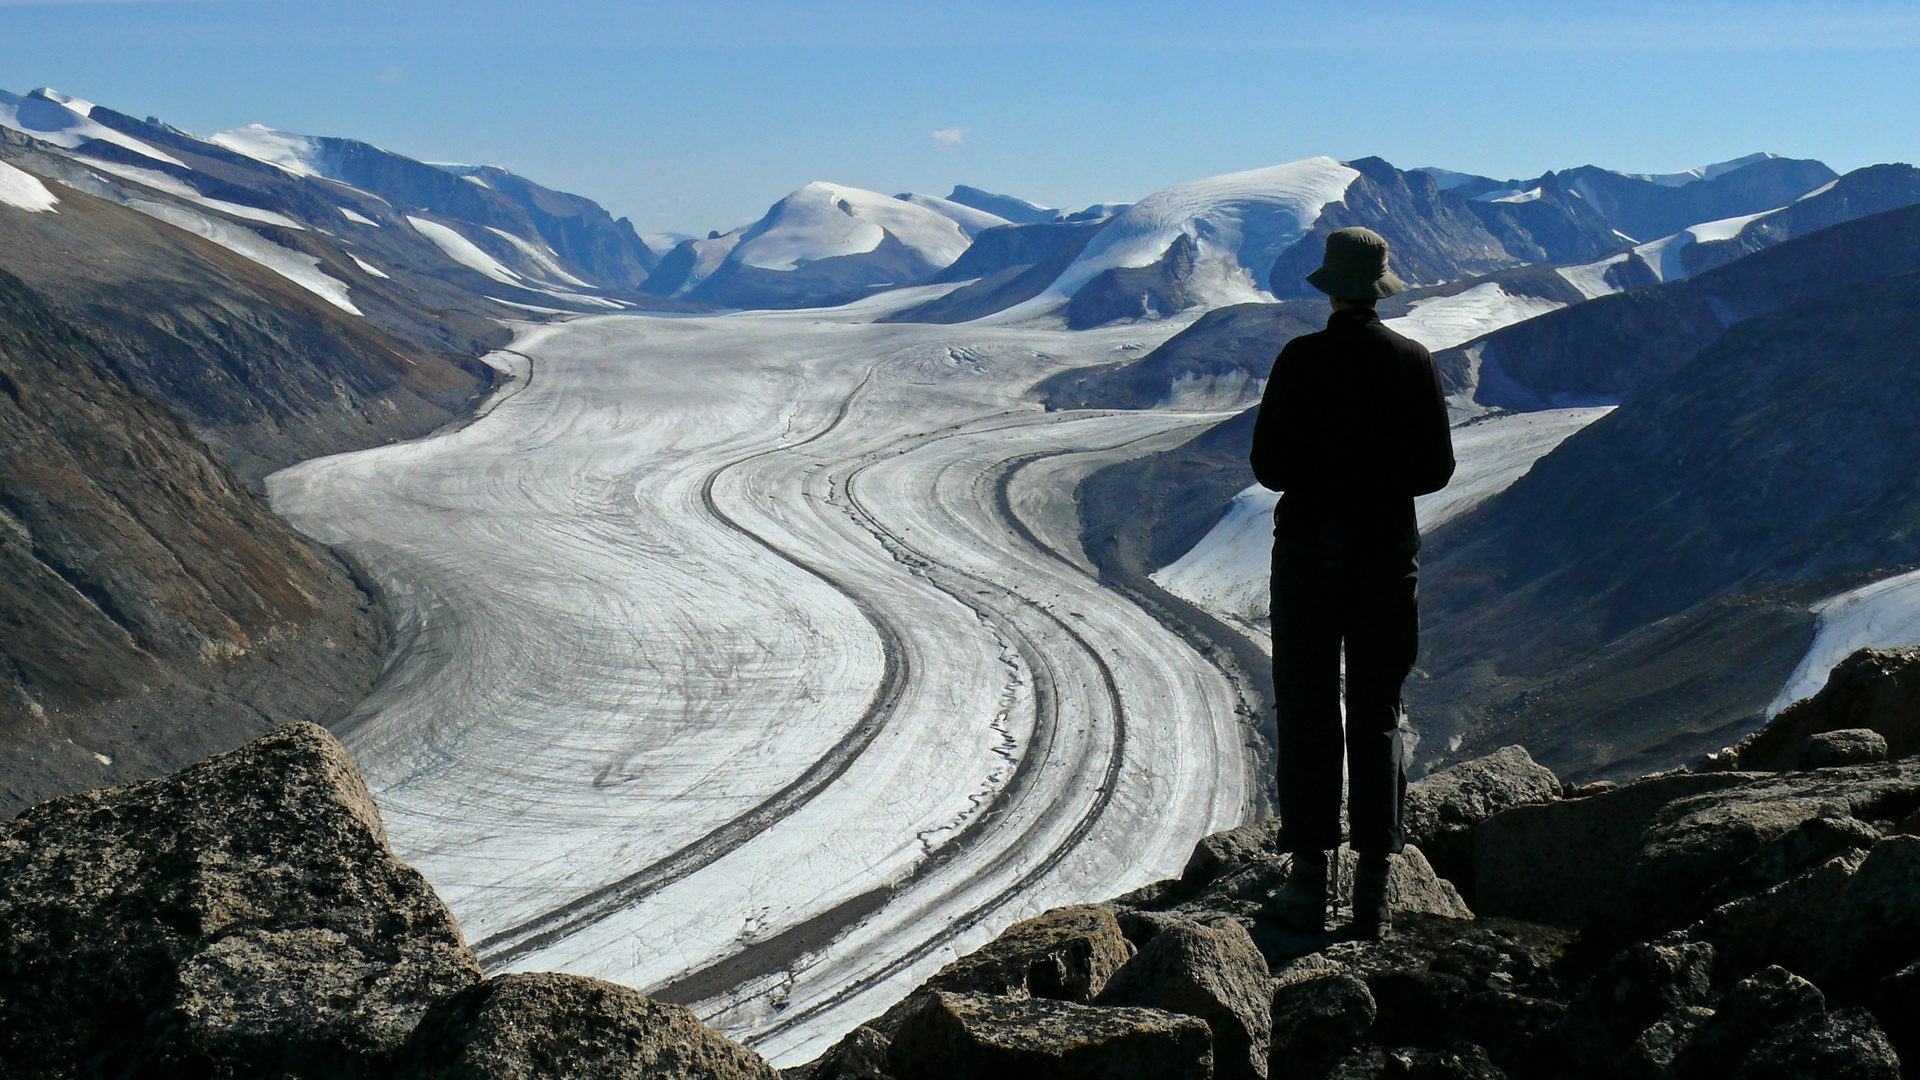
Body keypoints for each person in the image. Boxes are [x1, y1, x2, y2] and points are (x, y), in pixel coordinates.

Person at [1248, 226, 1455, 938]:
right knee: (1377, 709)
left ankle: (1308, 887)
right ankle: (1373, 891)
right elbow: (1436, 472)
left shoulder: (1300, 360)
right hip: (1385, 557)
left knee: (1306, 707)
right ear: (1380, 288)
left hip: (1308, 555)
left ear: (1330, 289)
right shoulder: (1413, 361)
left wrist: (1324, 476)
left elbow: (1269, 467)